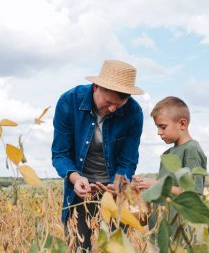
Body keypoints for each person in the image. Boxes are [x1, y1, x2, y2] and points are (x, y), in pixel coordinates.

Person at [51, 60, 144, 251]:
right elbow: (60, 154)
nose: (112, 109)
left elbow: (128, 161)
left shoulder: (134, 112)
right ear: (96, 87)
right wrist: (76, 179)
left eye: (118, 105)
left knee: (112, 247)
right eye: (109, 103)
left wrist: (117, 186)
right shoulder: (69, 102)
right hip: (79, 192)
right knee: (78, 246)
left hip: (114, 193)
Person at [133, 96, 207, 195]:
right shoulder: (167, 154)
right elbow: (163, 191)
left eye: (163, 127)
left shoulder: (191, 149)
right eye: (157, 127)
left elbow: (194, 194)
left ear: (182, 124)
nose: (159, 132)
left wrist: (156, 184)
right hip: (162, 211)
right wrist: (141, 185)